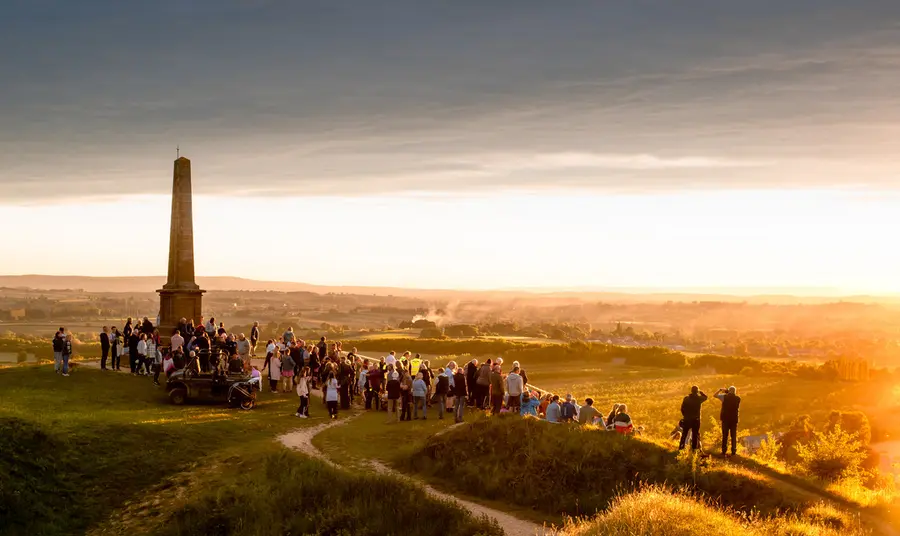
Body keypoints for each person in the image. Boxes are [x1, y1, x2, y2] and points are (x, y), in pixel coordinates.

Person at [679, 386, 708, 451]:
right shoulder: (699, 398)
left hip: (687, 419)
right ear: (697, 391)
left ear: (691, 391)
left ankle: (681, 447)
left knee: (684, 434)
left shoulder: (686, 398)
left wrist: (685, 416)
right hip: (696, 420)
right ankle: (694, 449)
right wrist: (701, 392)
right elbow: (706, 397)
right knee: (695, 434)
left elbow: (682, 408)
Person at [715, 386, 742, 456]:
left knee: (725, 435)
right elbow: (732, 395)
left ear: (729, 391)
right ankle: (733, 451)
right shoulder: (738, 398)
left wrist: (720, 390)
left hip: (725, 419)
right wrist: (728, 391)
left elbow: (715, 395)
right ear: (735, 391)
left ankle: (724, 450)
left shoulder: (724, 397)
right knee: (733, 436)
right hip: (734, 419)